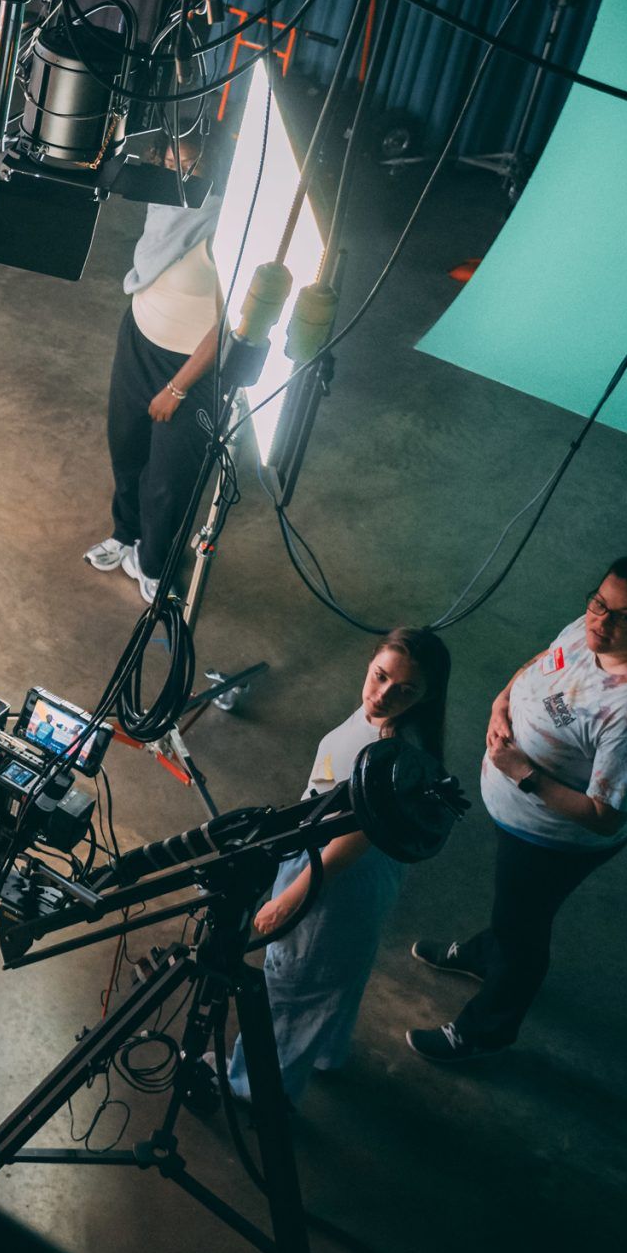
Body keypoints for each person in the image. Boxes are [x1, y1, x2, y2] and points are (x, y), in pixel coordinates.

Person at [408, 539, 627, 1064]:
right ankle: (483, 954)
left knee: (524, 931)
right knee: (511, 908)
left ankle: (485, 1032)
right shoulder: (593, 631)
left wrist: (525, 777)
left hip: (551, 839)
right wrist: (501, 703)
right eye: (599, 603)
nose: (601, 624)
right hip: (519, 814)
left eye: (625, 618)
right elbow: (544, 662)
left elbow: (607, 818)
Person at [225, 628, 450, 1107]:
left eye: (405, 690)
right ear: (371, 663)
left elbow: (350, 844)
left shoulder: (391, 753)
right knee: (332, 973)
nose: (383, 695)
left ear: (427, 696)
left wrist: (289, 899)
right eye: (380, 676)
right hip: (348, 869)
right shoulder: (391, 730)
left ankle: (256, 1089)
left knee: (292, 983)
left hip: (335, 878)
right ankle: (325, 1051)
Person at [85, 151, 223, 606]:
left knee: (169, 479)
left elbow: (229, 329)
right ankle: (125, 533)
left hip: (190, 370)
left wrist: (177, 387)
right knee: (126, 448)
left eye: (192, 165)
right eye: (170, 159)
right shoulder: (163, 200)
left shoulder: (224, 229)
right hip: (139, 341)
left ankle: (155, 562)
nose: (178, 173)